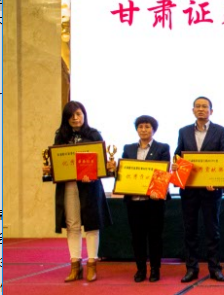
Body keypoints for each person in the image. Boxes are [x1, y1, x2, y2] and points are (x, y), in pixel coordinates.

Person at [44, 101, 112, 283]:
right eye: (71, 115)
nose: (75, 118)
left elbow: (101, 162)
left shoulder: (93, 134)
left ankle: (92, 264)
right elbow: (57, 161)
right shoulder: (60, 136)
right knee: (72, 225)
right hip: (68, 185)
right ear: (66, 118)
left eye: (78, 114)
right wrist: (51, 169)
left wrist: (93, 173)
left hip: (90, 186)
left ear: (84, 115)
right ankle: (75, 265)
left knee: (92, 224)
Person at [174, 96, 224, 283]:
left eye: (204, 106)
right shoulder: (183, 131)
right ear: (193, 110)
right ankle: (191, 268)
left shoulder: (221, 131)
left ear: (211, 111)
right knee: (190, 230)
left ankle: (215, 268)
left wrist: (216, 181)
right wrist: (176, 165)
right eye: (197, 106)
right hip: (189, 189)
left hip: (211, 189)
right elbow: (178, 155)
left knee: (212, 230)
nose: (201, 109)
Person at [121, 115, 171, 283]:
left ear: (153, 130)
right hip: (134, 201)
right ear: (137, 129)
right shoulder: (128, 149)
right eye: (140, 126)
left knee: (155, 236)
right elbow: (125, 172)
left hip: (154, 201)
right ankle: (140, 269)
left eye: (147, 127)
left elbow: (163, 172)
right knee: (137, 237)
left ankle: (155, 269)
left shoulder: (162, 148)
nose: (144, 130)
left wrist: (157, 190)